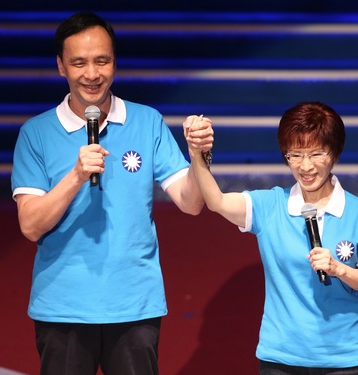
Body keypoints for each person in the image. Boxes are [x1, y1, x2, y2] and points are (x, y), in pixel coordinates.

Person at [11, 11, 213, 375]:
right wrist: (75, 175)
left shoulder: (147, 121)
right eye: (79, 62)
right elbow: (31, 225)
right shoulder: (35, 133)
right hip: (63, 305)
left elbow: (191, 202)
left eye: (102, 61)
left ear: (114, 63)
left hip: (135, 304)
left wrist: (199, 157)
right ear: (61, 66)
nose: (92, 73)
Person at [184, 102, 358, 375]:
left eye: (316, 154)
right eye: (295, 155)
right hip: (282, 358)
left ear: (334, 154)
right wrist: (197, 153)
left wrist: (339, 269)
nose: (306, 166)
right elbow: (217, 201)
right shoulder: (270, 206)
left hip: (347, 359)